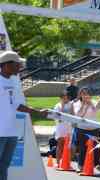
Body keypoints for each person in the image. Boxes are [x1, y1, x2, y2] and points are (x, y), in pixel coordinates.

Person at [0, 51, 47, 180]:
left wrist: (37, 112)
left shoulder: (12, 82)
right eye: (17, 64)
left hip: (11, 132)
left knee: (4, 166)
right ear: (7, 65)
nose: (20, 67)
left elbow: (16, 104)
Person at [72, 87, 100, 173]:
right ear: (80, 95)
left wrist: (90, 103)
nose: (85, 95)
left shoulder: (94, 102)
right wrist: (84, 105)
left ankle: (95, 165)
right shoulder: (76, 104)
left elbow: (96, 111)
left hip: (94, 129)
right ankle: (80, 166)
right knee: (82, 148)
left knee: (95, 148)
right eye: (83, 94)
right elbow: (78, 115)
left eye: (87, 93)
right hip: (82, 129)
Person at [53, 92, 73, 166]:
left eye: (66, 97)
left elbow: (72, 115)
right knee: (60, 144)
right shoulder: (57, 106)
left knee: (68, 146)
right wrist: (62, 106)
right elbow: (58, 117)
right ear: (60, 98)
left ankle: (67, 162)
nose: (65, 99)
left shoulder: (71, 105)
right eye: (63, 97)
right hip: (60, 127)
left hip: (69, 127)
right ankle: (58, 162)